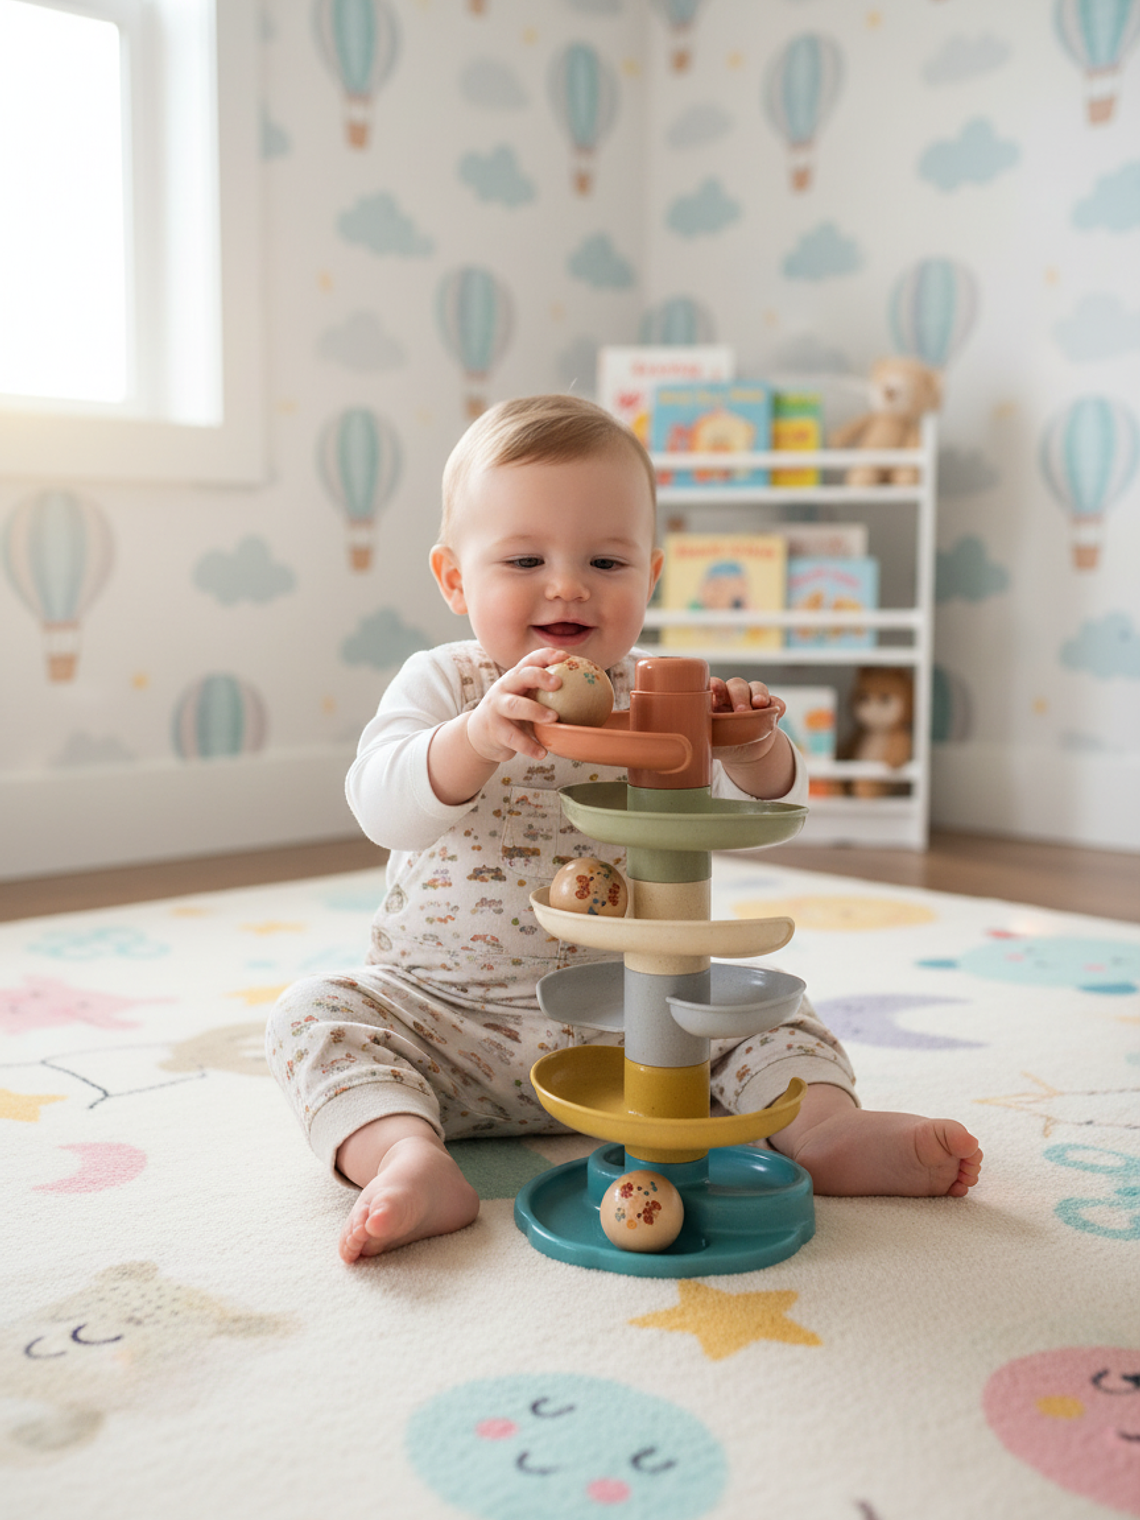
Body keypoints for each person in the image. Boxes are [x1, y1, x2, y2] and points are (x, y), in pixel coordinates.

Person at [265, 394, 982, 1264]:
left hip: (644, 1022)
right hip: (446, 1019)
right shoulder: (445, 684)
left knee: (766, 1008)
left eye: (606, 560)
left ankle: (827, 1131)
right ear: (454, 579)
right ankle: (407, 1158)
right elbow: (381, 806)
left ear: (651, 577)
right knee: (313, 1013)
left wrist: (752, 745)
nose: (568, 585)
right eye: (524, 559)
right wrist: (474, 738)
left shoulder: (660, 693)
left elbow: (773, 808)